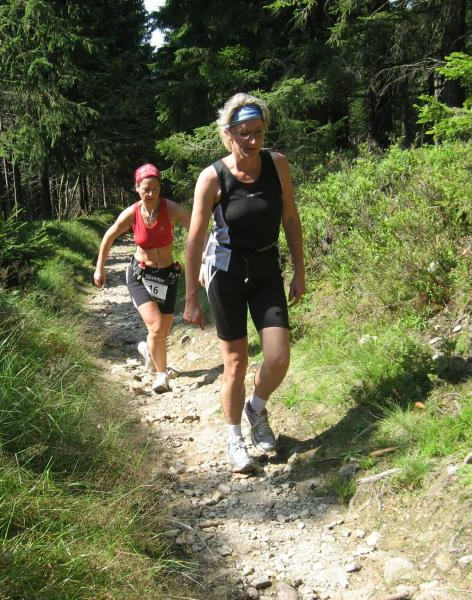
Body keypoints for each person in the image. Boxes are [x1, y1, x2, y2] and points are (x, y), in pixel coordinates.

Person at [183, 93, 305, 473]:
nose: (252, 141)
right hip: (227, 273)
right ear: (227, 135)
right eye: (243, 133)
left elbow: (290, 219)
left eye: (258, 132)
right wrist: (190, 297)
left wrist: (300, 271)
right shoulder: (212, 178)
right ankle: (234, 438)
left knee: (278, 357)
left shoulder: (277, 165)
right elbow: (195, 240)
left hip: (267, 269)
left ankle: (257, 407)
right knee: (235, 363)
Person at [94, 164, 191, 393]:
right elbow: (109, 236)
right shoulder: (132, 213)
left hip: (167, 276)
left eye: (155, 189)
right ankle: (161, 375)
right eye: (146, 189)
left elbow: (196, 230)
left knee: (161, 332)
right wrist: (99, 268)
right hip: (140, 275)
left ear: (160, 189)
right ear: (137, 188)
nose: (150, 194)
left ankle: (148, 351)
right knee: (156, 327)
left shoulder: (172, 209)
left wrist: (206, 258)